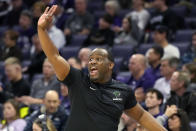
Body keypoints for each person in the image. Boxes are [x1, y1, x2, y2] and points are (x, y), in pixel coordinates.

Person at [37, 5, 167, 131]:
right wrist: (41, 30)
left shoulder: (123, 91)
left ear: (110, 65)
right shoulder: (77, 80)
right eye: (91, 60)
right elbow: (54, 56)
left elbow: (141, 116)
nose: (92, 62)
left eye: (98, 59)